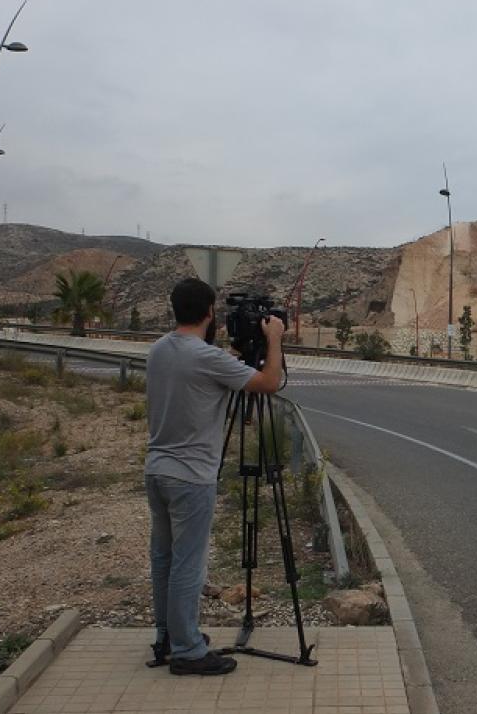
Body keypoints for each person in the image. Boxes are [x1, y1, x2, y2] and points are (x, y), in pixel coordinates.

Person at [145, 278, 284, 675]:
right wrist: (273, 339)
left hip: (157, 470)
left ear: (175, 309)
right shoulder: (206, 357)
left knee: (164, 560)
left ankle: (168, 637)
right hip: (191, 477)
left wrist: (238, 356)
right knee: (188, 565)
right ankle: (188, 652)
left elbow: (209, 372)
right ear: (209, 312)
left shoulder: (159, 350)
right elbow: (269, 383)